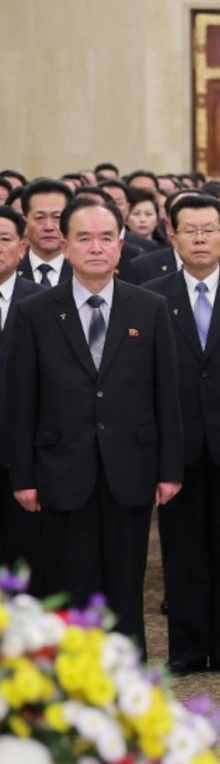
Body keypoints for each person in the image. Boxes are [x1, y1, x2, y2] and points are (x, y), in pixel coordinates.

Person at [8, 195, 185, 654]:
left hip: (130, 467)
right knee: (69, 586)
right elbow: (22, 400)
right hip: (61, 468)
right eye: (84, 238)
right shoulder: (35, 312)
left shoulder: (150, 307)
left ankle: (127, 679)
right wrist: (23, 476)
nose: (96, 248)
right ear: (65, 246)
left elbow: (167, 395)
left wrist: (170, 469)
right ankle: (72, 680)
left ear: (121, 246)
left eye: (106, 238)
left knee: (125, 587)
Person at [141, 193, 220, 677]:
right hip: (177, 445)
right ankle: (187, 650)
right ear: (172, 235)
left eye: (208, 229)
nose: (199, 239)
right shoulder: (150, 296)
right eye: (189, 230)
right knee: (182, 551)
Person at [0, 207, 44, 569]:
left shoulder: (44, 304)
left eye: (4, 239)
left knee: (24, 564)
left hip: (24, 457)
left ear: (23, 247)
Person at [16, 179, 76, 287]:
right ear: (25, 220)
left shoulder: (83, 272)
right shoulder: (9, 272)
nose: (49, 227)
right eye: (40, 217)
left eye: (57, 217)